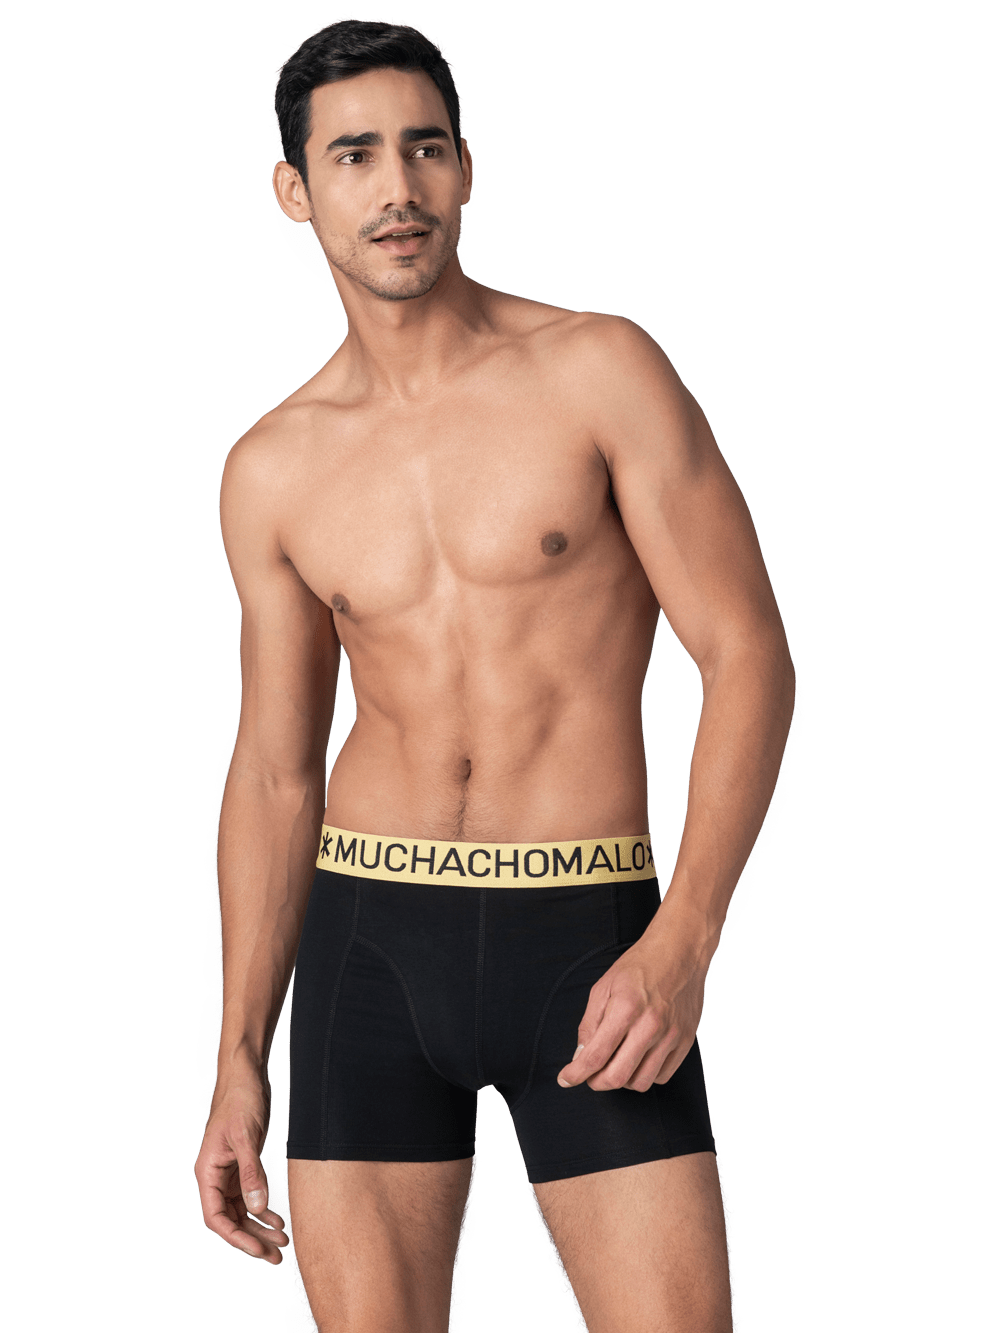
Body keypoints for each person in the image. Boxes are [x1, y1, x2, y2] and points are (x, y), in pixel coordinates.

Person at [194, 17, 796, 1333]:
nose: (397, 188)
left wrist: (686, 938)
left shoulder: (598, 370)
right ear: (296, 191)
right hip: (369, 946)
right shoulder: (274, 467)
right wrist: (237, 1058)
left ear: (467, 168)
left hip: (586, 933)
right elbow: (281, 769)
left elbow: (749, 653)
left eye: (426, 148)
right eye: (355, 155)